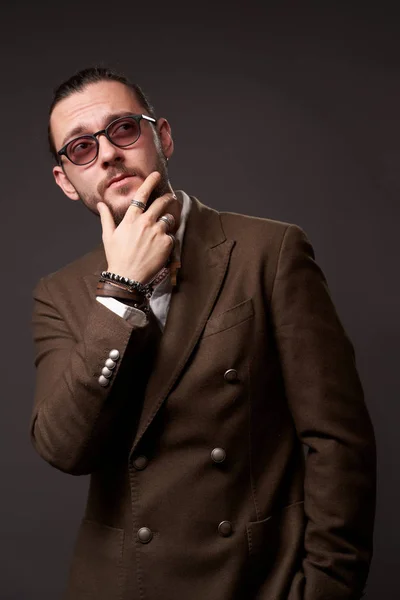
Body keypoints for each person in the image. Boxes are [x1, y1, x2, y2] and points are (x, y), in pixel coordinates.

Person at [30, 66, 376, 600]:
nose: (106, 154)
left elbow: (337, 444)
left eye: (123, 128)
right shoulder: (60, 294)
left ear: (162, 136)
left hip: (257, 581)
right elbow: (63, 449)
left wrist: (326, 587)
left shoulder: (271, 252)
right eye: (80, 147)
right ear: (65, 181)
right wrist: (120, 290)